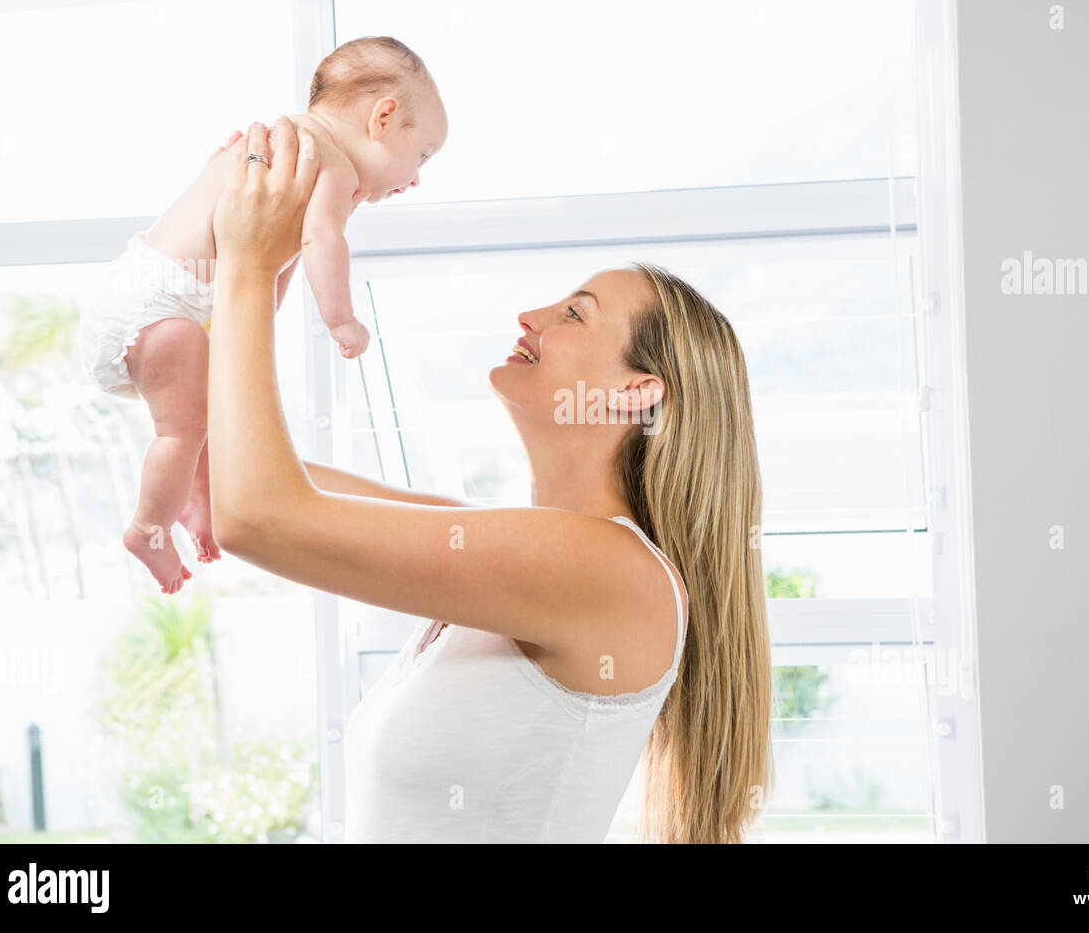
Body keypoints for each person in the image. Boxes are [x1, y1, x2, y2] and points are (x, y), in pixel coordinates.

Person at [208, 117, 774, 843]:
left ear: (638, 391)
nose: (530, 316)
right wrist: (271, 255)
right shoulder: (496, 545)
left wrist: (248, 268)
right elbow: (228, 466)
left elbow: (259, 516)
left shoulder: (611, 571)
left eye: (574, 313)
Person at [74, 36, 447, 592]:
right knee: (181, 430)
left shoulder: (275, 144)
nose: (416, 178)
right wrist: (340, 319)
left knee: (201, 418)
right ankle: (147, 527)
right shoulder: (331, 166)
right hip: (158, 309)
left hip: (142, 293)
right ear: (384, 117)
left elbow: (265, 263)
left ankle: (196, 499)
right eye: (421, 155)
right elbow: (323, 242)